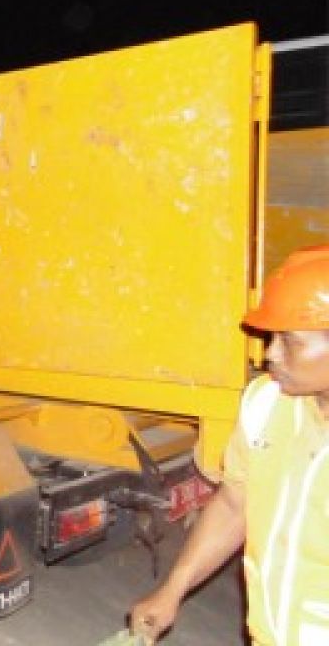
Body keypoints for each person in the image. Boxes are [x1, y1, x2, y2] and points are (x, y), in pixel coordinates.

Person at [130, 245, 329, 646]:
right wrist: (174, 588)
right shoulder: (267, 404)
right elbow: (235, 503)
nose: (270, 353)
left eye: (289, 341)